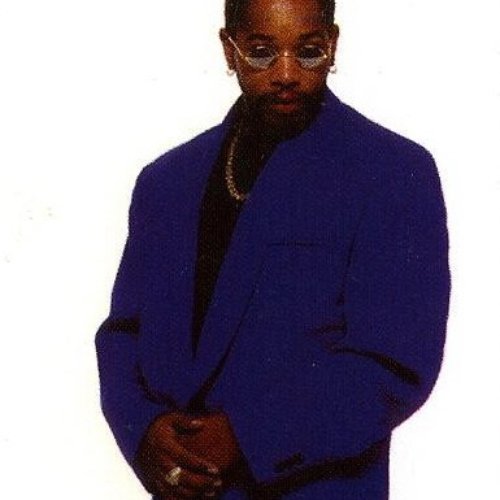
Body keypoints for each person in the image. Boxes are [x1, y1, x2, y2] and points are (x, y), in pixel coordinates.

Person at [95, 0, 450, 498]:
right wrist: (142, 432)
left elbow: (394, 363)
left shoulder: (392, 172)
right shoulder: (165, 181)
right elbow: (123, 333)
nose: (286, 74)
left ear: (333, 45)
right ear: (229, 49)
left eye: (309, 51)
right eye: (261, 52)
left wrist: (246, 435)